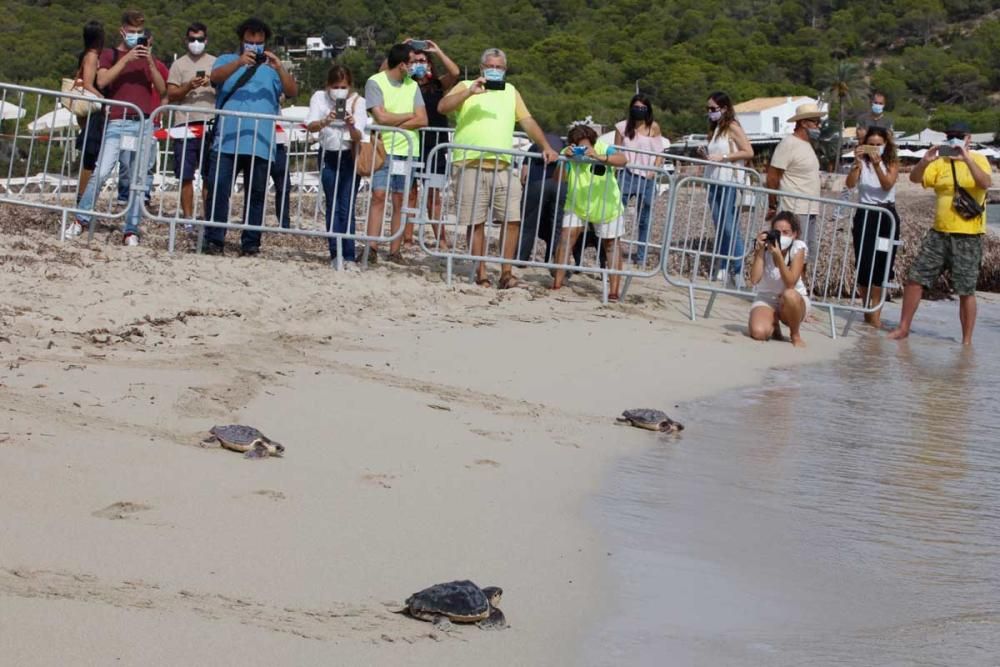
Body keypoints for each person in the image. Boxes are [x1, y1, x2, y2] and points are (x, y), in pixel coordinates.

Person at [438, 47, 558, 289]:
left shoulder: (511, 91)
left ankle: (506, 271)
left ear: (505, 70)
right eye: (490, 66)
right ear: (482, 68)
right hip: (469, 163)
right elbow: (443, 107)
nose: (494, 70)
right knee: (476, 221)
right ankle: (480, 272)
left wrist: (545, 145)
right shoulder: (465, 86)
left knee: (512, 218)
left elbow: (527, 121)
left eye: (499, 67)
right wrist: (469, 92)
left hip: (503, 164)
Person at [888, 121, 992, 345]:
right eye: (950, 136)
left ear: (968, 139)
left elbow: (985, 183)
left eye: (959, 136)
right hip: (939, 233)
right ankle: (903, 327)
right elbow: (916, 179)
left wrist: (967, 159)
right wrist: (924, 162)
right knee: (915, 278)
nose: (954, 139)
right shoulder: (940, 161)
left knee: (966, 288)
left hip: (968, 235)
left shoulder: (979, 159)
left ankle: (967, 341)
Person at [72, 9, 168, 246]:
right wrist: (127, 58)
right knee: (101, 171)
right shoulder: (109, 54)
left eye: (140, 32)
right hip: (117, 121)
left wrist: (148, 60)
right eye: (132, 32)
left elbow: (162, 89)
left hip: (143, 123)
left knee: (137, 179)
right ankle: (80, 219)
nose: (136, 36)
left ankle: (131, 229)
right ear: (122, 31)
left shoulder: (149, 60)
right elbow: (102, 81)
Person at [203, 17, 298, 256]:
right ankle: (215, 239)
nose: (253, 46)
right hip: (226, 140)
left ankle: (251, 242)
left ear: (265, 43)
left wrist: (279, 67)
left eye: (258, 42)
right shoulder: (226, 60)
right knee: (219, 190)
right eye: (249, 42)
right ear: (241, 41)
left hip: (261, 142)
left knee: (256, 195)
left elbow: (292, 91)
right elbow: (215, 78)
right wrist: (238, 63)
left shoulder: (273, 68)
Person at [364, 43, 427, 263]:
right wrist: (409, 115)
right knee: (378, 195)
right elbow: (380, 117)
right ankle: (371, 247)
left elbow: (423, 119)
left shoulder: (413, 86)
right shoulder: (376, 81)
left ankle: (394, 250)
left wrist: (394, 120)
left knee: (400, 200)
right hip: (384, 147)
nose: (415, 66)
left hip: (409, 149)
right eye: (412, 62)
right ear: (402, 64)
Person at [551, 124, 628, 300]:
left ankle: (614, 291)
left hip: (607, 204)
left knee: (611, 245)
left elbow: (623, 160)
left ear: (593, 141)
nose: (582, 150)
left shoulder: (603, 147)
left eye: (585, 146)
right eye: (578, 146)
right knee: (565, 240)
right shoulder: (567, 152)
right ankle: (556, 284)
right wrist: (564, 159)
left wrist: (599, 156)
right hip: (577, 203)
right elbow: (557, 179)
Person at [305, 64, 366, 266]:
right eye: (336, 86)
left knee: (346, 205)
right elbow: (311, 125)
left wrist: (350, 123)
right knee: (332, 204)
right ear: (328, 85)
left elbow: (359, 135)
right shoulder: (319, 97)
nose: (339, 90)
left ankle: (349, 254)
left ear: (350, 86)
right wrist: (326, 120)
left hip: (349, 154)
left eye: (343, 86)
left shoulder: (359, 102)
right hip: (328, 154)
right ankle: (335, 253)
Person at [845, 125, 900, 328]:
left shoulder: (891, 162)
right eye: (871, 144)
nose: (875, 148)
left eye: (879, 144)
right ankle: (866, 306)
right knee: (864, 261)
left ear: (886, 145)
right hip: (865, 215)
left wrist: (878, 164)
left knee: (882, 262)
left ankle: (876, 311)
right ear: (865, 144)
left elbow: (887, 184)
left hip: (885, 217)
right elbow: (849, 184)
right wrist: (857, 164)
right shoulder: (862, 162)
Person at [406, 39, 460, 248]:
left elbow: (455, 73)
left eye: (423, 60)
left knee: (434, 194)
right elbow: (384, 71)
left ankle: (442, 239)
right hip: (412, 144)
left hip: (435, 146)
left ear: (429, 64)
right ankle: (407, 237)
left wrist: (437, 51)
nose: (419, 64)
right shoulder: (405, 84)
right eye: (414, 60)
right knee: (410, 193)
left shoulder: (438, 85)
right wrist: (402, 49)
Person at [165, 21, 216, 223]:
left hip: (210, 124)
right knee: (186, 175)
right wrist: (187, 86)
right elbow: (171, 94)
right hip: (184, 125)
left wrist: (210, 81)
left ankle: (208, 217)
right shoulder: (178, 65)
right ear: (186, 40)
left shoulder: (217, 62)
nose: (196, 43)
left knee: (209, 175)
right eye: (193, 39)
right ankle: (187, 219)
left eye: (200, 39)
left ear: (206, 40)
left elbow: (225, 89)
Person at [703, 91, 754, 286]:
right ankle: (723, 266)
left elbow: (748, 151)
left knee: (729, 226)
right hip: (714, 180)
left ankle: (738, 269)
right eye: (708, 109)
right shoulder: (716, 129)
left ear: (724, 108)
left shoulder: (733, 126)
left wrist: (723, 158)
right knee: (719, 225)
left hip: (729, 181)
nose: (710, 112)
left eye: (713, 109)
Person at [613, 94, 665, 265]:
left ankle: (641, 257)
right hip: (626, 174)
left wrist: (654, 171)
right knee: (617, 215)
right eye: (636, 107)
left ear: (648, 110)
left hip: (647, 176)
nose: (639, 111)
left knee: (645, 219)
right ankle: (614, 252)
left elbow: (659, 152)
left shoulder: (653, 127)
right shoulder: (621, 127)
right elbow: (617, 151)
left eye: (642, 108)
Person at [766, 103, 824, 253]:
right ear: (804, 123)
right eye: (816, 122)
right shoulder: (788, 143)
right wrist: (772, 204)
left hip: (809, 207)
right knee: (794, 251)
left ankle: (800, 277)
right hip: (794, 207)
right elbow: (773, 176)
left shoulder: (807, 145)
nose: (819, 126)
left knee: (805, 251)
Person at [748, 211, 810, 348]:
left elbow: (790, 283)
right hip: (767, 298)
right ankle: (773, 324)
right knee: (758, 333)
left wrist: (779, 258)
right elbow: (754, 279)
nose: (781, 236)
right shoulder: (766, 247)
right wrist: (759, 252)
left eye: (786, 232)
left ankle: (795, 334)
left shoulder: (797, 247)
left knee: (789, 295)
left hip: (793, 299)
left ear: (794, 234)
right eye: (777, 232)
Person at [519, 129, 568, 262]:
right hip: (561, 184)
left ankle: (521, 257)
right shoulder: (564, 146)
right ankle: (555, 261)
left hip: (537, 182)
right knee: (558, 225)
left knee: (528, 223)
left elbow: (524, 174)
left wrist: (525, 186)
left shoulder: (535, 146)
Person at [73, 20, 106, 208]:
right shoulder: (92, 56)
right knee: (90, 156)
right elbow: (87, 84)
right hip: (94, 110)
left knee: (90, 156)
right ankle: (82, 198)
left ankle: (83, 196)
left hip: (89, 111)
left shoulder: (85, 55)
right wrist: (103, 99)